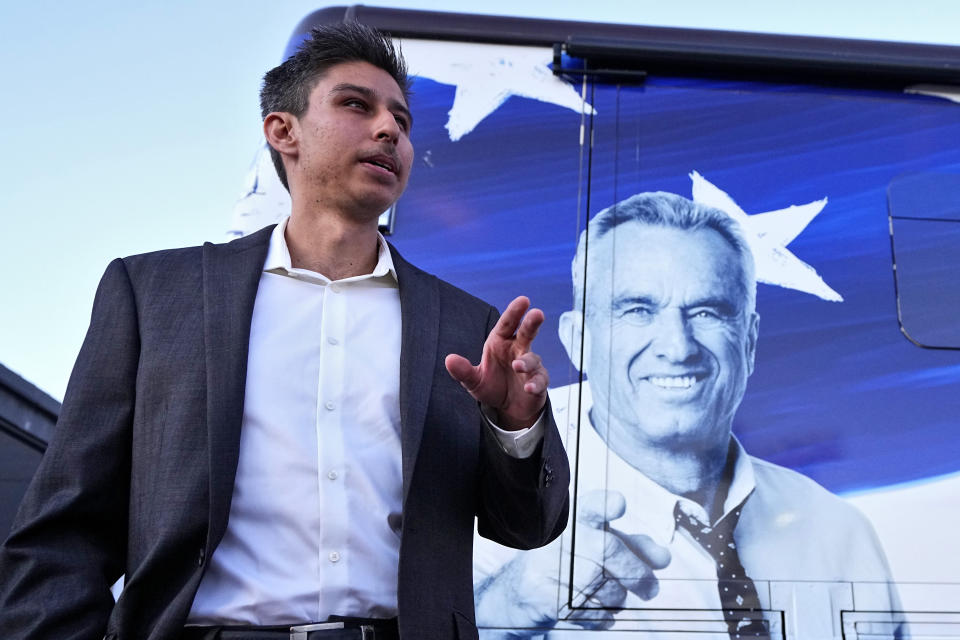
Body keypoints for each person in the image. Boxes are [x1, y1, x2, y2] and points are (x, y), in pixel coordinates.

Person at [0, 23, 569, 640]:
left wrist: (515, 428)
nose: (389, 130)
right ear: (282, 131)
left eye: (402, 121)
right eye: (357, 105)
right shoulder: (153, 295)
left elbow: (528, 526)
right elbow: (64, 531)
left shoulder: (469, 327)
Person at [474, 192, 903, 639]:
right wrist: (506, 606)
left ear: (750, 341)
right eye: (638, 310)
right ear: (578, 340)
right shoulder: (492, 512)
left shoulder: (840, 534)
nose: (678, 348)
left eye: (707, 311)